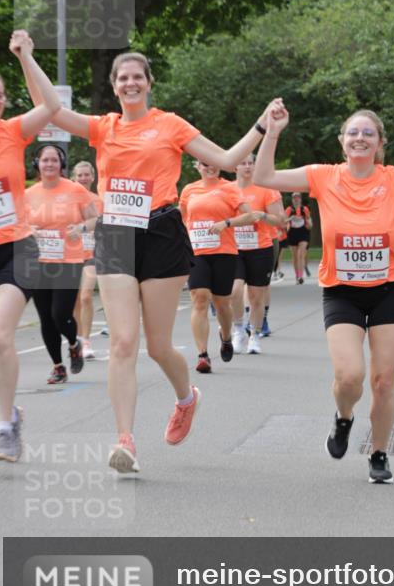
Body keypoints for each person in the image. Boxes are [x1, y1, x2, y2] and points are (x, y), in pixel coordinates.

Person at [25, 48, 284, 473]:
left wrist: (262, 125)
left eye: (137, 77)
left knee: (159, 346)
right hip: (116, 235)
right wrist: (25, 56)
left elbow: (226, 159)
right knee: (124, 342)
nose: (130, 83)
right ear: (113, 86)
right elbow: (50, 109)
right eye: (122, 78)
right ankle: (125, 440)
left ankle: (186, 398)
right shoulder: (103, 128)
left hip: (161, 231)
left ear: (149, 82)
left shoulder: (169, 124)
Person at [254, 107, 394, 484]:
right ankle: (343, 418)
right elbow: (265, 176)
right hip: (342, 292)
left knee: (383, 381)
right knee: (350, 377)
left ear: (380, 144)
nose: (360, 138)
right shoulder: (323, 177)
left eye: (368, 133)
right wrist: (272, 132)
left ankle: (379, 452)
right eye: (353, 132)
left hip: (388, 290)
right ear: (342, 141)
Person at [0, 30, 61, 462]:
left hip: (17, 248)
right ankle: (10, 412)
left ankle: (3, 429)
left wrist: (25, 56)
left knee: (0, 339)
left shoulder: (13, 132)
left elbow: (51, 106)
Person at [179, 161, 262, 373]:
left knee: (222, 303)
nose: (210, 167)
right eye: (206, 164)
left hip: (224, 252)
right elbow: (181, 219)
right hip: (197, 253)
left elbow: (250, 216)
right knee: (200, 298)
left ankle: (226, 338)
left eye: (214, 164)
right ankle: (203, 355)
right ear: (197, 165)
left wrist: (226, 223)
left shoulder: (229, 188)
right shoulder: (189, 190)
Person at [26, 145, 99, 383]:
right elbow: (18, 224)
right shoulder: (29, 194)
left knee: (60, 313)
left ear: (62, 164)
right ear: (37, 163)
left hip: (68, 259)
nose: (49, 164)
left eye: (54, 160)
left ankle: (74, 342)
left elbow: (94, 218)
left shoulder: (75, 190)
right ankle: (58, 366)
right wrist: (29, 230)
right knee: (45, 316)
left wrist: (80, 228)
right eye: (45, 160)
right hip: (38, 261)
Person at [231, 154, 285, 354]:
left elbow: (280, 220)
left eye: (250, 163)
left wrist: (261, 216)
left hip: (261, 247)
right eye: (242, 163)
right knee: (235, 291)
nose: (247, 167)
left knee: (256, 296)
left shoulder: (266, 189)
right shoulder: (228, 189)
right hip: (234, 248)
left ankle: (254, 335)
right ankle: (238, 330)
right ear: (234, 167)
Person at [71, 160, 104, 358]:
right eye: (80, 175)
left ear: (92, 177)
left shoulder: (98, 200)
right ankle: (77, 340)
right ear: (74, 178)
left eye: (86, 175)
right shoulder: (66, 199)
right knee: (75, 300)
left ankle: (86, 340)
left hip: (92, 253)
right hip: (72, 254)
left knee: (85, 296)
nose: (83, 178)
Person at [285, 191, 313, 284]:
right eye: (294, 198)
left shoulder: (304, 209)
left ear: (300, 199)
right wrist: (290, 218)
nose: (296, 199)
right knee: (295, 256)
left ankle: (301, 276)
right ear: (292, 200)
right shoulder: (289, 209)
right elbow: (283, 220)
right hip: (292, 232)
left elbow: (309, 219)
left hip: (303, 232)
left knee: (300, 254)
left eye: (298, 197)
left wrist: (309, 223)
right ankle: (297, 276)